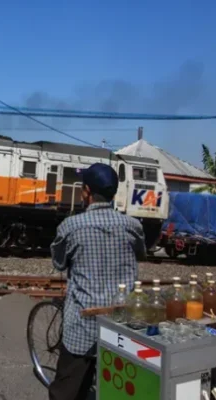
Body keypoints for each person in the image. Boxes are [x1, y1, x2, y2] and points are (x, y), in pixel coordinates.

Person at [48, 163, 147, 400]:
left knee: (65, 393)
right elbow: (141, 253)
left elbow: (59, 263)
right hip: (122, 322)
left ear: (86, 192)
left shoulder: (70, 227)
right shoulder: (133, 226)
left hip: (84, 324)